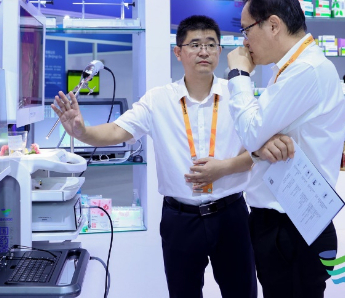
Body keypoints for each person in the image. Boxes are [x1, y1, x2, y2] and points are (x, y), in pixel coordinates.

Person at [52, 15, 291, 298]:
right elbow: (117, 131)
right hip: (180, 219)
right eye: (195, 44)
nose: (204, 51)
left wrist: (224, 168)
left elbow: (258, 151)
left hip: (231, 215)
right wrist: (82, 131)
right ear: (178, 52)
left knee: (242, 293)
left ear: (220, 51)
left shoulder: (238, 95)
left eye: (211, 44)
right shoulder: (158, 100)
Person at [226, 0, 345, 297]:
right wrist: (261, 142)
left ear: (273, 25)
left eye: (246, 30)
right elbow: (257, 133)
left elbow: (251, 131)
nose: (244, 41)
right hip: (288, 220)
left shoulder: (305, 69)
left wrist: (238, 75)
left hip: (291, 224)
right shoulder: (295, 67)